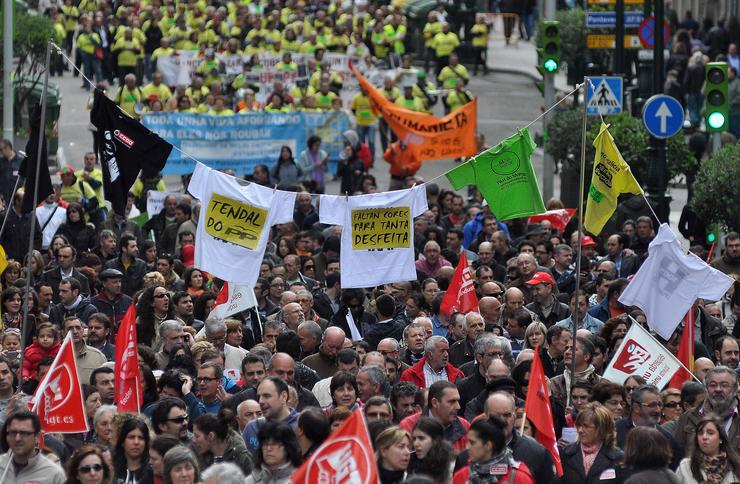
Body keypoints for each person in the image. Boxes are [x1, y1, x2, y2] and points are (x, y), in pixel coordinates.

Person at [452, 416, 535, 484]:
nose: (467, 447)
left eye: (472, 443)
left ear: (488, 445)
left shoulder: (519, 478)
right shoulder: (462, 475)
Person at [560, 403, 624, 483]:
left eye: (586, 426)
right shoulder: (566, 453)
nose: (580, 430)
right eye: (579, 425)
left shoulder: (618, 457)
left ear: (601, 429)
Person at [0, 410, 66, 483]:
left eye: (24, 433)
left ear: (37, 437)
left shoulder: (54, 474)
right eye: (13, 432)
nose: (17, 438)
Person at [675, 414, 740, 483]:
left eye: (710, 433)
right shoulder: (685, 467)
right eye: (700, 433)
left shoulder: (735, 466)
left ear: (721, 438)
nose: (704, 437)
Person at [192, 409, 253, 475]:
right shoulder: (198, 455)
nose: (193, 440)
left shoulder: (241, 457)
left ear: (211, 436)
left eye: (197, 436)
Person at [407, 416, 455, 482]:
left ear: (435, 440)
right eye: (414, 439)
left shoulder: (451, 466)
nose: (415, 444)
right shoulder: (410, 465)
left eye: (421, 438)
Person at [112, 417, 153, 483]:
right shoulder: (112, 471)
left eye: (141, 438)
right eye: (131, 437)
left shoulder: (153, 472)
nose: (136, 442)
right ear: (122, 441)